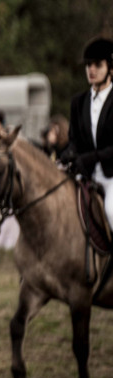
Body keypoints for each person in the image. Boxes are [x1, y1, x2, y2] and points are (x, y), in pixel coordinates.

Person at [63, 37, 113, 233]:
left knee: (110, 211)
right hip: (87, 176)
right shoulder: (78, 102)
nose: (91, 70)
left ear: (110, 67)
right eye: (88, 65)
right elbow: (74, 139)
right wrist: (69, 154)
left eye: (97, 65)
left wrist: (93, 157)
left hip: (111, 176)